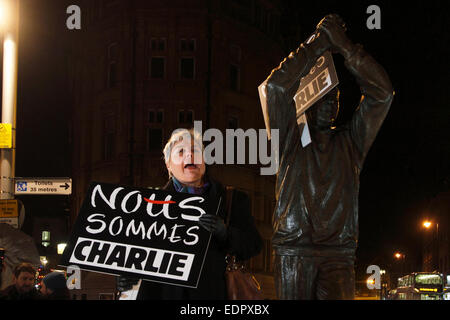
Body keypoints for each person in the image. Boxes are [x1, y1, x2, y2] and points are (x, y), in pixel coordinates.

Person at [264, 14, 394, 299]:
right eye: (322, 100)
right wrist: (317, 45)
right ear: (308, 103)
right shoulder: (289, 140)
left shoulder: (351, 142)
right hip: (295, 250)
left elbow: (382, 94)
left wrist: (345, 47)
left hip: (339, 252)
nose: (329, 106)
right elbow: (276, 87)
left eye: (334, 100)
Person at [117, 128, 262, 299]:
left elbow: (254, 244)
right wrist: (125, 276)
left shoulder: (233, 200)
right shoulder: (148, 206)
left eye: (196, 151)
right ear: (168, 164)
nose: (190, 156)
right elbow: (132, 254)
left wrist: (226, 234)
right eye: (181, 151)